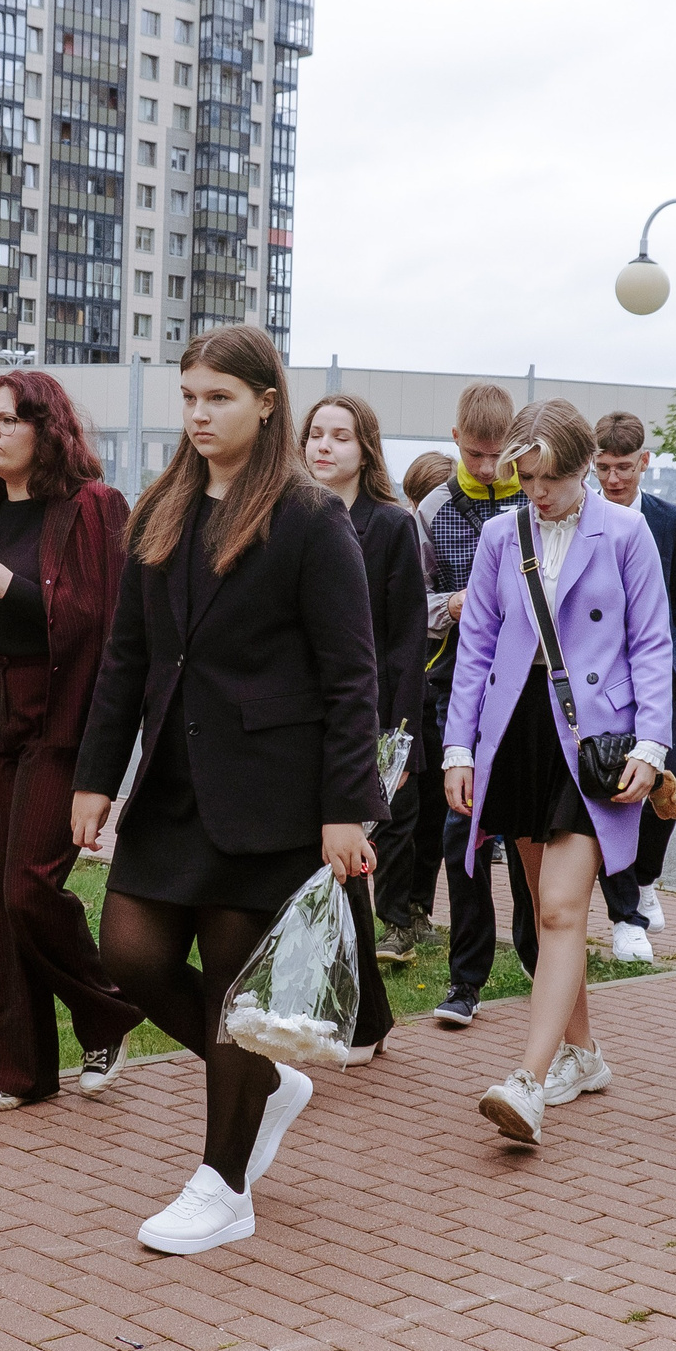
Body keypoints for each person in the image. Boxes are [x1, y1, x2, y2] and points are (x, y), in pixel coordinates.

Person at [73, 325, 383, 1255]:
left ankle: (225, 1182)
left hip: (271, 795)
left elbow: (351, 675)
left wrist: (344, 805)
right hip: (171, 782)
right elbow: (126, 658)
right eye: (190, 397)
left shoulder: (308, 517)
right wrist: (95, 777)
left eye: (219, 397)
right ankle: (266, 1075)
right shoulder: (164, 506)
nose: (200, 414)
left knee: (236, 983)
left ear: (266, 402)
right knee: (130, 956)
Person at [0, 371, 143, 1110]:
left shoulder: (94, 508)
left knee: (26, 885)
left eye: (9, 419)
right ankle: (15, 1067)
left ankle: (106, 1009)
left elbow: (104, 623)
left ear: (49, 428)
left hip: (58, 714)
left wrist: (17, 589)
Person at [443, 399, 672, 1145]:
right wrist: (459, 747)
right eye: (525, 476)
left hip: (595, 738)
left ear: (582, 467)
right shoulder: (499, 534)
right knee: (543, 909)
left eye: (550, 477)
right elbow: (476, 645)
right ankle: (584, 1053)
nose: (536, 492)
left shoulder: (628, 532)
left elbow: (653, 644)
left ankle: (528, 1081)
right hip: (517, 731)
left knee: (563, 909)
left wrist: (652, 745)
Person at [301, 392, 426, 1063]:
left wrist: (397, 743)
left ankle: (357, 1014)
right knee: (320, 869)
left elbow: (406, 643)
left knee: (346, 866)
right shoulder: (288, 516)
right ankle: (355, 1010)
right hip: (296, 725)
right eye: (315, 434)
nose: (324, 446)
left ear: (365, 447)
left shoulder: (390, 525)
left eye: (340, 435)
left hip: (369, 727)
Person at [419, 382, 541, 1028]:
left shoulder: (536, 494)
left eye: (499, 455)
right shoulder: (434, 507)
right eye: (475, 454)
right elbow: (412, 604)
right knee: (461, 830)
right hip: (457, 687)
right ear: (457, 438)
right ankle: (466, 978)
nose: (489, 468)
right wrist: (452, 606)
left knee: (527, 827)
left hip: (530, 691)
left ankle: (534, 951)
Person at [590, 410, 676, 960]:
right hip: (608, 683)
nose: (614, 479)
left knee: (672, 787)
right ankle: (625, 914)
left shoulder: (669, 518)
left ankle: (648, 878)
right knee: (617, 789)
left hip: (665, 676)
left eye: (624, 467)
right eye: (604, 467)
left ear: (644, 463)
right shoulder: (586, 520)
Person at [384, 450, 462, 950]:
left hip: (444, 684)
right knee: (402, 803)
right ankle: (397, 912)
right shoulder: (401, 537)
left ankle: (419, 905)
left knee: (434, 805)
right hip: (407, 686)